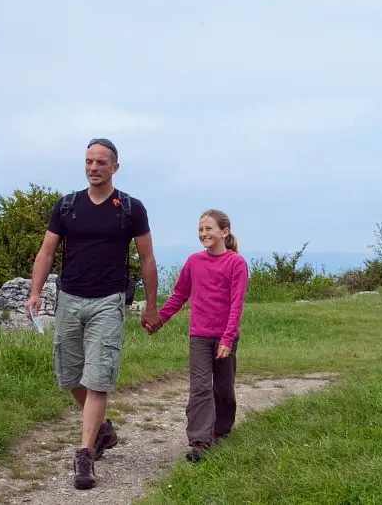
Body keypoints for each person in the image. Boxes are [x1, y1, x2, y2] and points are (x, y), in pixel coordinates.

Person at [26, 137, 161, 490]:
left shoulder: (130, 208)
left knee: (98, 377)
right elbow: (46, 251)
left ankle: (84, 456)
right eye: (89, 161)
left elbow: (147, 259)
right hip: (69, 298)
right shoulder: (67, 206)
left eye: (101, 162)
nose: (94, 168)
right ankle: (102, 430)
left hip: (108, 301)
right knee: (70, 376)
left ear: (115, 167)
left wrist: (151, 306)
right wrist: (35, 292)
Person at [147, 208, 248, 463]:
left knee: (223, 389)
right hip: (199, 336)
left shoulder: (236, 263)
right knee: (200, 388)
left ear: (224, 232)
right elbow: (180, 295)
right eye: (200, 230)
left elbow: (237, 304)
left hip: (225, 337)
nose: (203, 233)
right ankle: (199, 442)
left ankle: (221, 430)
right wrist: (161, 319)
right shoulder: (193, 261)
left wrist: (227, 338)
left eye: (209, 229)